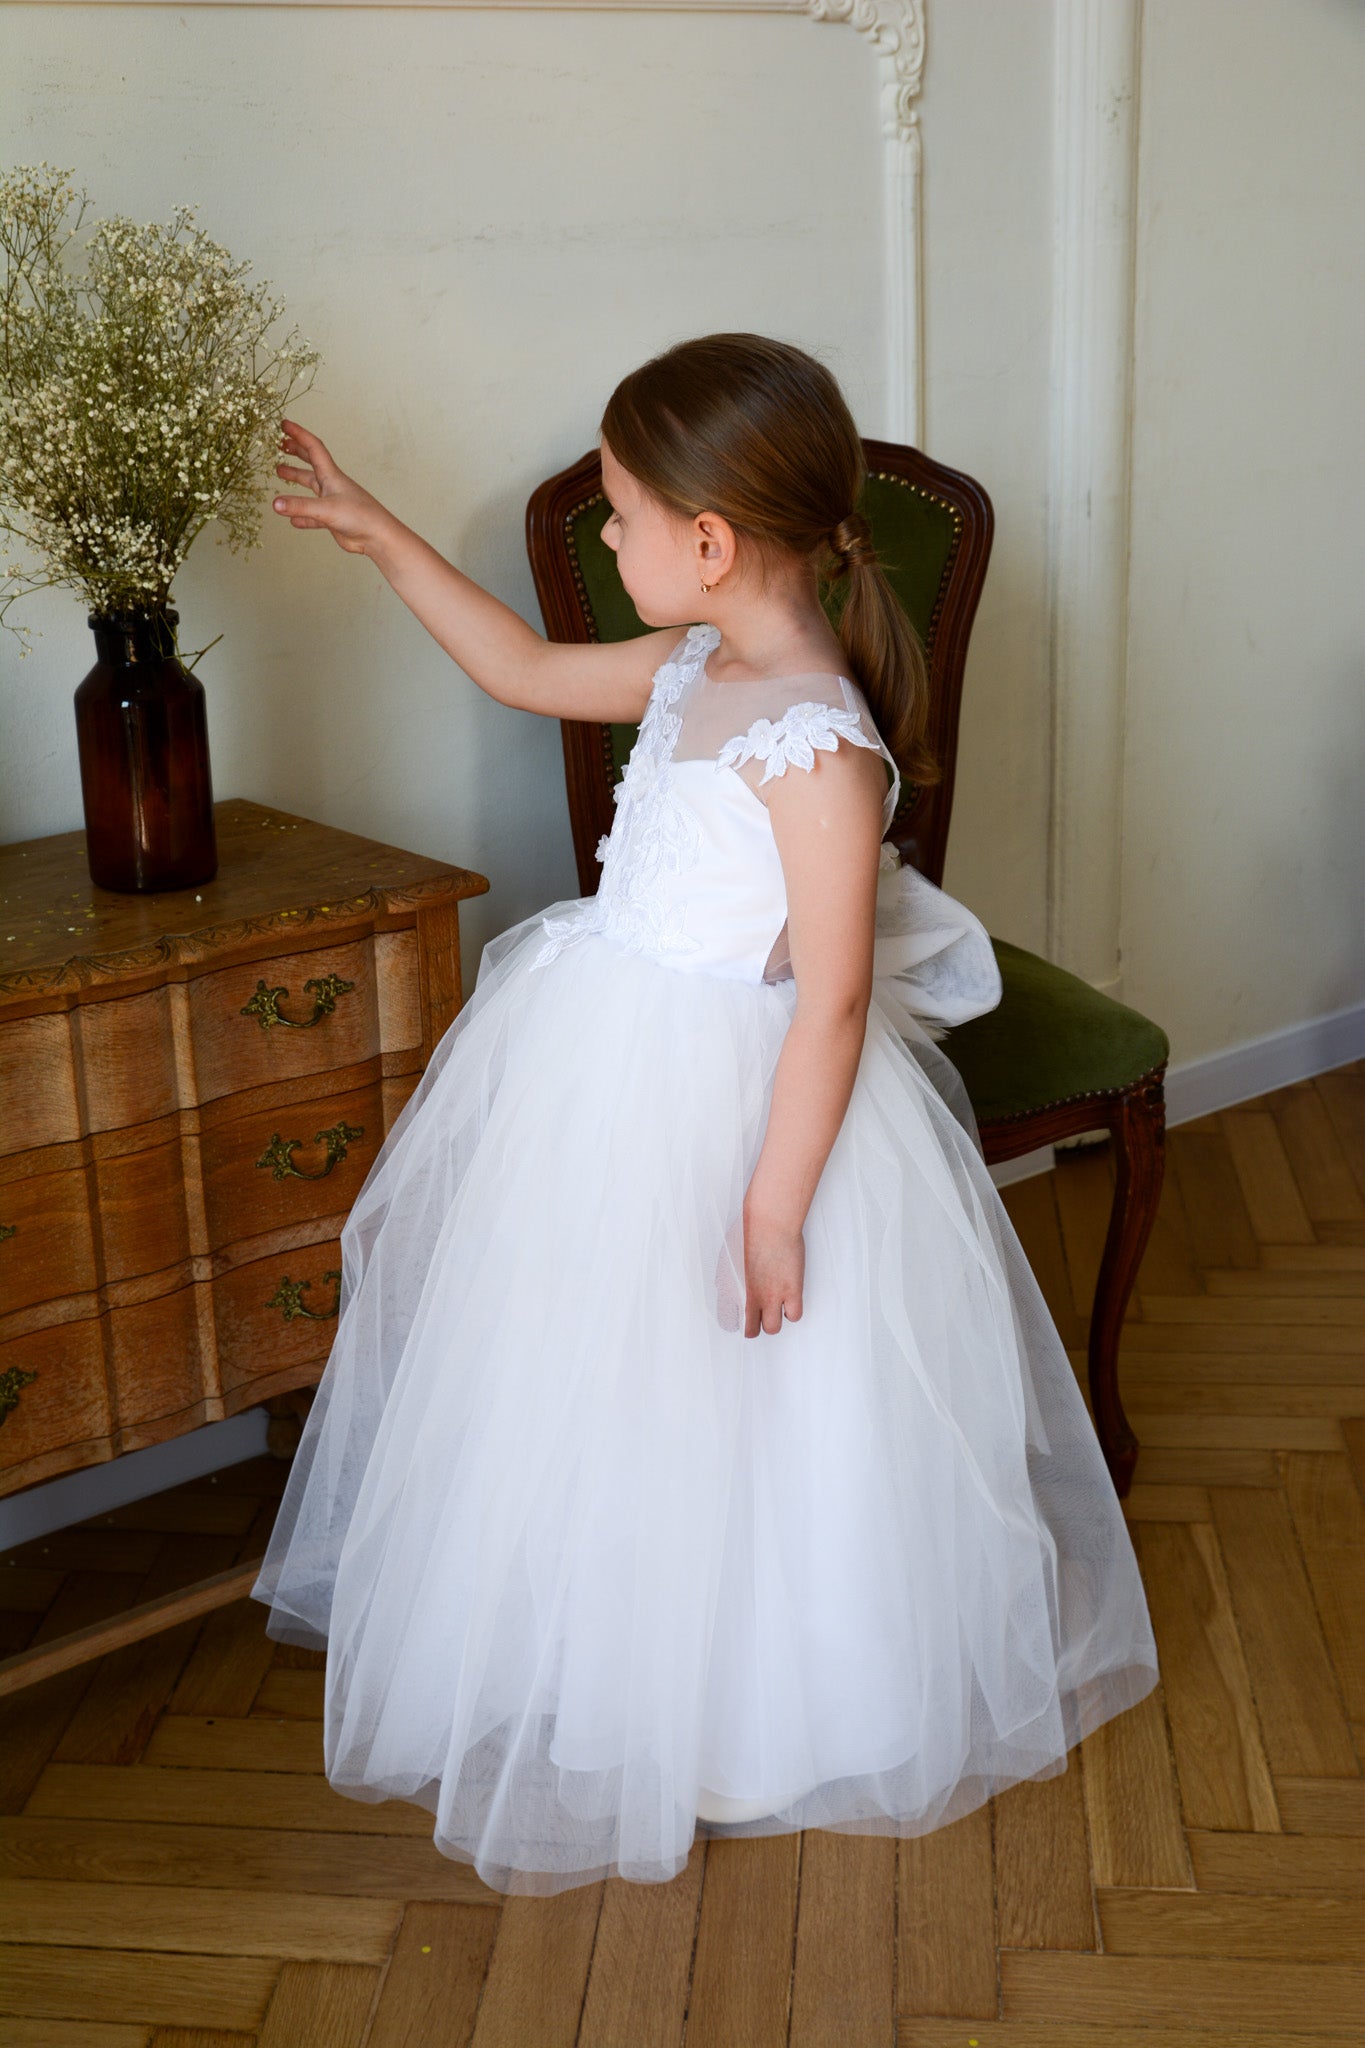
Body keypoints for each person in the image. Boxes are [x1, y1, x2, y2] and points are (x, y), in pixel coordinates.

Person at [249, 332, 1159, 1897]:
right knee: (594, 1386)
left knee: (749, 1409)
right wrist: (379, 533)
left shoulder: (818, 742)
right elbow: (526, 670)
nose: (603, 540)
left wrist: (768, 1204)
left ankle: (751, 1699)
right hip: (605, 1056)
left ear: (710, 541)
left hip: (748, 1105)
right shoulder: (692, 670)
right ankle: (609, 1655)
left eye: (616, 514)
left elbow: (830, 999)